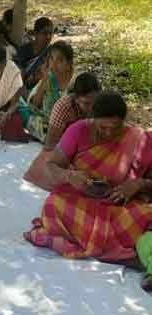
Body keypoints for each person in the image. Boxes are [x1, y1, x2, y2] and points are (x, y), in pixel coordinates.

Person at [24, 93, 152, 292]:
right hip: (80, 199)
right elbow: (50, 166)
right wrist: (69, 176)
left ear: (123, 122)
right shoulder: (78, 131)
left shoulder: (138, 138)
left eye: (115, 128)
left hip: (120, 204)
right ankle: (130, 251)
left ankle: (127, 249)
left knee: (147, 216)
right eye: (102, 128)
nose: (109, 133)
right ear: (92, 119)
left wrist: (139, 184)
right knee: (53, 206)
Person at [23, 73, 101, 190]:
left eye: (95, 102)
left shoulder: (103, 103)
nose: (92, 108)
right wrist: (68, 172)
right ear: (76, 98)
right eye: (86, 104)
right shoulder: (63, 107)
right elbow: (50, 145)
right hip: (65, 150)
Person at [20, 40, 75, 142]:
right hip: (44, 121)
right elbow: (34, 105)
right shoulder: (49, 77)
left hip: (65, 127)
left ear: (69, 63)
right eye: (52, 59)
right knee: (20, 106)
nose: (54, 64)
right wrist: (44, 81)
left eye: (60, 60)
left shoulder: (75, 82)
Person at [14, 17, 54, 87]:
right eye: (44, 33)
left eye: (50, 33)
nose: (48, 37)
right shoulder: (24, 51)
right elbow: (19, 78)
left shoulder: (52, 51)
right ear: (36, 34)